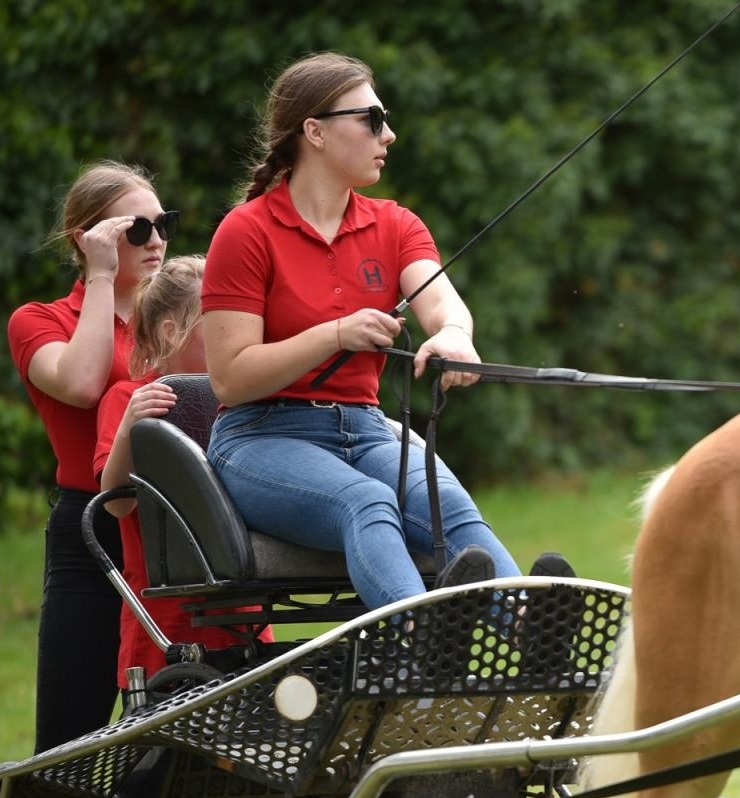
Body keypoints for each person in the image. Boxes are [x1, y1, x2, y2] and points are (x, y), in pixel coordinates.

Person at [203, 51, 516, 610]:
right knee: (366, 503)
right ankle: (420, 649)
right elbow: (229, 379)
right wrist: (335, 333)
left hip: (369, 430)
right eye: (372, 120)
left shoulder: (396, 224)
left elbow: (444, 306)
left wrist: (453, 337)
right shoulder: (245, 231)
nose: (388, 134)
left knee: (451, 506)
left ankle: (535, 631)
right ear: (315, 132)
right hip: (261, 436)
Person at [8, 160, 177, 752]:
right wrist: (103, 280)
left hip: (179, 523)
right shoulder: (40, 320)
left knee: (185, 712)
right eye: (137, 229)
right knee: (70, 728)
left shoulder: (179, 317)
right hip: (94, 523)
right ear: (88, 238)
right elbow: (81, 384)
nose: (156, 240)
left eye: (164, 225)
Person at [95, 256, 273, 690]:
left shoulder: (247, 401)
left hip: (245, 618)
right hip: (165, 625)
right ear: (171, 333)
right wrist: (130, 430)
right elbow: (115, 502)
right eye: (219, 323)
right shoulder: (130, 399)